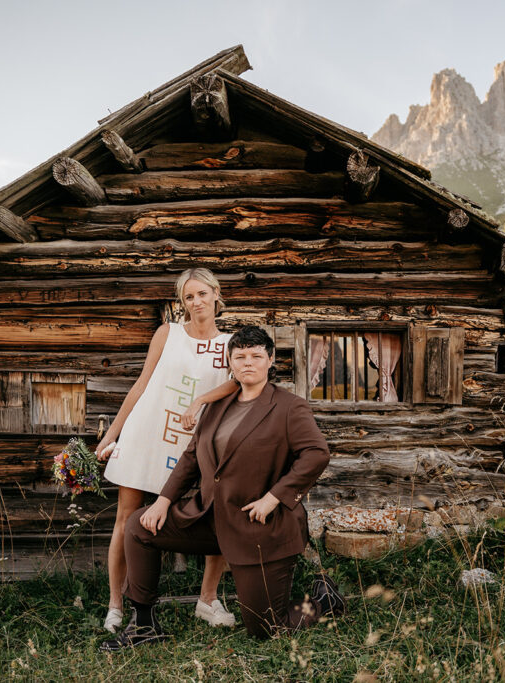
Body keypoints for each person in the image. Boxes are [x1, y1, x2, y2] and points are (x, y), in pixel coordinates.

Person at [99, 326, 345, 650]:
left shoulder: (289, 407)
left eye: (256, 356)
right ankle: (143, 624)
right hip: (210, 521)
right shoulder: (216, 406)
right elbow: (190, 459)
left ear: (270, 360)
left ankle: (324, 602)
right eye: (240, 356)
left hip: (258, 528)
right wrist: (163, 500)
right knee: (138, 526)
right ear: (230, 362)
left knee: (266, 627)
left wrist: (274, 498)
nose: (248, 363)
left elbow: (316, 454)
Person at [95, 268, 240, 633]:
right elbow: (142, 384)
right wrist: (112, 434)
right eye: (189, 297)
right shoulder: (168, 333)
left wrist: (202, 400)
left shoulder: (230, 343)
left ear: (216, 294)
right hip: (147, 433)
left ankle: (207, 600)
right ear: (182, 302)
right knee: (126, 518)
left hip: (196, 443)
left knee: (216, 514)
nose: (196, 302)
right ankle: (116, 605)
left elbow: (237, 383)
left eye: (202, 294)